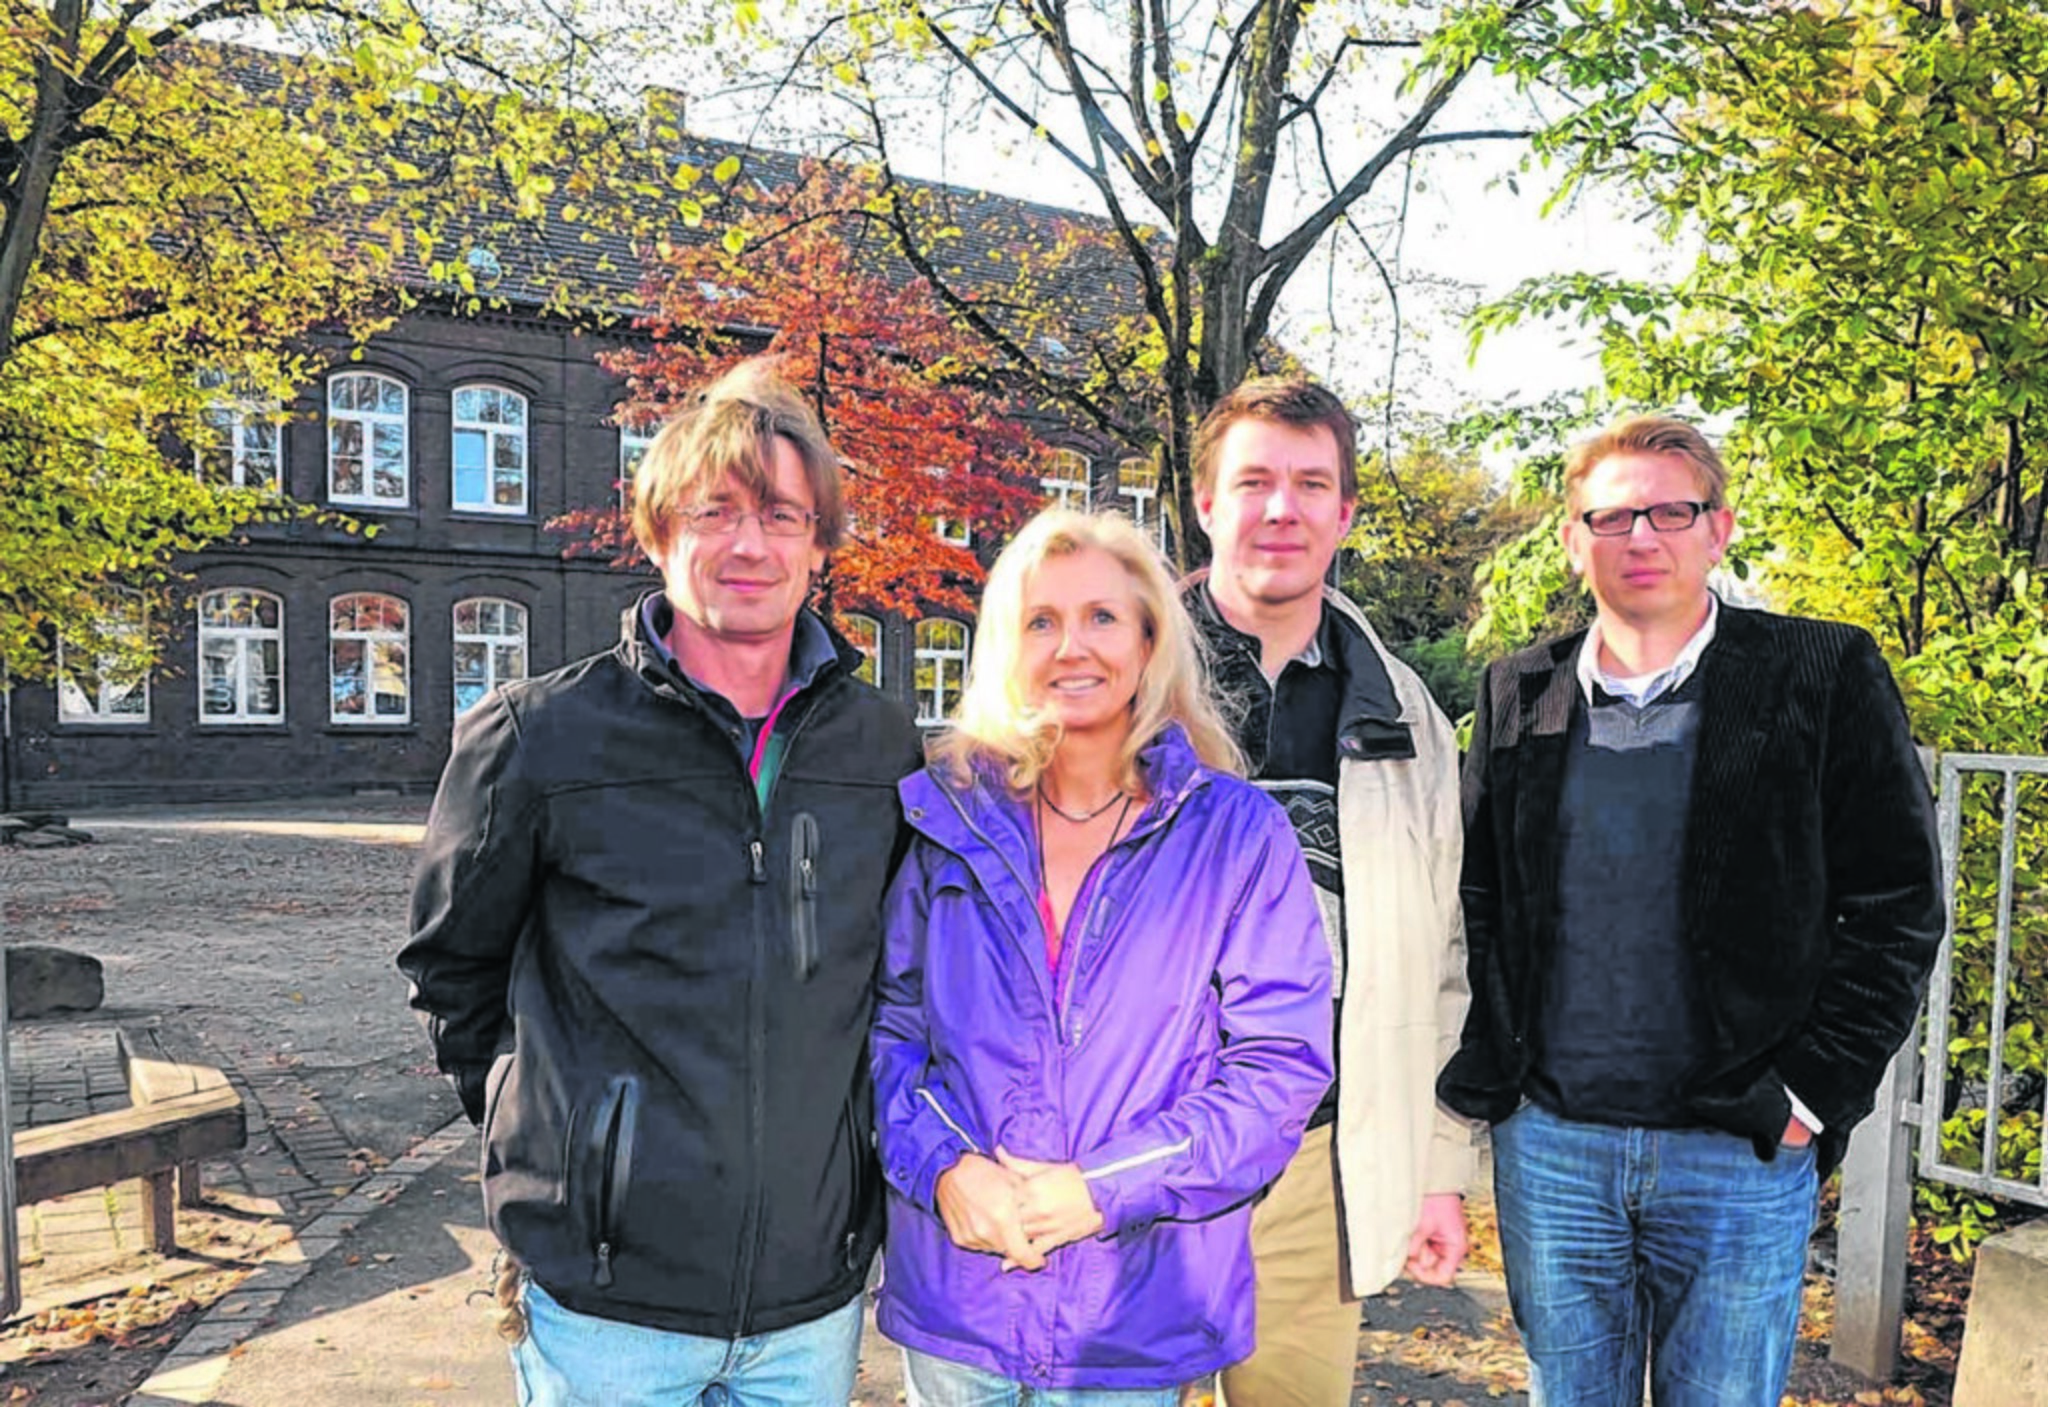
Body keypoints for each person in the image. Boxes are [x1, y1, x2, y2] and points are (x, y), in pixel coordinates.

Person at [397, 358, 923, 1407]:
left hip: (808, 1298)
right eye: (713, 511)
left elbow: (895, 986)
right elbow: (455, 972)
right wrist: (558, 1148)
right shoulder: (536, 737)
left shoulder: (881, 749)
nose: (746, 544)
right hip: (606, 1304)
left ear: (819, 545)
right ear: (656, 532)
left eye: (780, 515)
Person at [1439, 415, 1944, 1406]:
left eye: (1669, 511)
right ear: (1571, 539)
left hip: (1736, 1150)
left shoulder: (1818, 673)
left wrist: (1806, 1096)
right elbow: (1482, 898)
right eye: (1611, 515)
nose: (1640, 537)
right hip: (1554, 1148)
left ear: (1716, 530)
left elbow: (1894, 908)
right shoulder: (1516, 690)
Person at [873, 508, 1335, 1402]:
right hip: (962, 1300)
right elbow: (891, 1031)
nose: (1071, 647)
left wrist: (1105, 1187)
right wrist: (945, 1166)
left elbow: (1279, 1067)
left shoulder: (1236, 835)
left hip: (1133, 1307)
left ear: (1150, 639)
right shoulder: (945, 820)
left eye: (1101, 618)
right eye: (1040, 621)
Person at [1181, 377, 1474, 1407]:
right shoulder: (1114, 681)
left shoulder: (1404, 720)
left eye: (1311, 484)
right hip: (1128, 1167)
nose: (1280, 508)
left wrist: (1440, 1165)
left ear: (1344, 513)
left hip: (1312, 1166)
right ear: (1204, 502)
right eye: (1252, 479)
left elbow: (1444, 960)